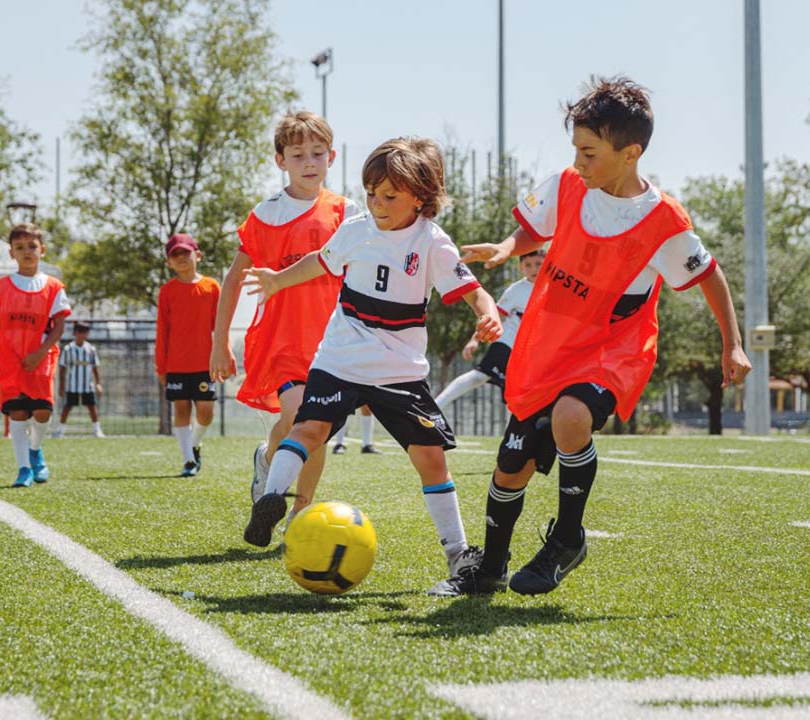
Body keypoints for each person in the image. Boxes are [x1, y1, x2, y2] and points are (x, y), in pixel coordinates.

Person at [431, 77, 751, 597]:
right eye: (575, 150)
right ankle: (488, 568)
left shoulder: (664, 220)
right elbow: (536, 228)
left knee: (571, 416)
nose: (578, 161)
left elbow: (709, 275)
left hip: (612, 348)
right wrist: (505, 248)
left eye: (589, 151)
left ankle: (567, 538)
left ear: (630, 154)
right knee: (510, 464)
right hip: (547, 341)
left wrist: (731, 343)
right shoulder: (566, 184)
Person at [241, 137, 503, 589]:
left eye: (389, 196)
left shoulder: (434, 243)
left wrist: (488, 313)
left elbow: (472, 289)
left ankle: (459, 556)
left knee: (430, 459)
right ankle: (268, 502)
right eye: (371, 193)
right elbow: (319, 264)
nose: (377, 204)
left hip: (397, 370)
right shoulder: (356, 228)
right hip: (341, 359)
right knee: (308, 430)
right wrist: (277, 280)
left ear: (421, 197)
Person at [210, 111, 360, 509]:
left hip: (333, 342)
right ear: (281, 161)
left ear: (331, 156)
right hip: (282, 340)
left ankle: (297, 504)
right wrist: (219, 341)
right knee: (301, 416)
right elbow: (233, 280)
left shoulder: (349, 212)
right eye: (298, 155)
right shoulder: (266, 214)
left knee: (314, 427)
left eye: (317, 153)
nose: (309, 162)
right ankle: (285, 490)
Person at [0, 223, 71, 488]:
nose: (26, 252)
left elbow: (59, 325)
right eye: (20, 247)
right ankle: (24, 468)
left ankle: (36, 450)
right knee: (18, 413)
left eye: (32, 246)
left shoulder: (54, 287)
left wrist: (40, 352)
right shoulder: (1, 287)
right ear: (11, 253)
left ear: (42, 250)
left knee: (42, 411)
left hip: (40, 359)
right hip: (10, 360)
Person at [434, 249, 545, 416]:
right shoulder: (516, 290)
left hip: (526, 354)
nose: (533, 269)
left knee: (520, 394)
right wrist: (475, 340)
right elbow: (495, 316)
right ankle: (434, 407)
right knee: (480, 375)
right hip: (506, 344)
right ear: (521, 268)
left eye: (538, 264)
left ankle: (520, 437)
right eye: (528, 265)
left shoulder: (554, 289)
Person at [158, 232, 219, 477]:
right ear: (169, 262)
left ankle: (194, 443)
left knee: (206, 412)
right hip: (176, 364)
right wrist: (160, 366)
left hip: (205, 363)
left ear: (198, 255)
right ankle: (188, 461)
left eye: (186, 252)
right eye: (176, 254)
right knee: (181, 410)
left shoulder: (212, 287)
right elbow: (162, 330)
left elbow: (221, 326)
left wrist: (224, 353)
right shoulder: (167, 292)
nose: (182, 258)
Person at [56, 321, 105, 438]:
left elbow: (95, 367)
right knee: (67, 407)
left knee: (92, 406)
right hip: (72, 384)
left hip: (87, 385)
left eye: (85, 332)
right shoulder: (68, 349)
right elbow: (62, 368)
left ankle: (97, 430)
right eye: (79, 332)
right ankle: (60, 430)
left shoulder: (91, 349)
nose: (82, 335)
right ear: (75, 333)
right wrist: (61, 385)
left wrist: (98, 383)